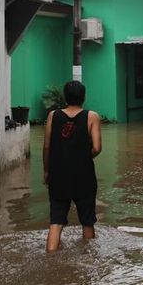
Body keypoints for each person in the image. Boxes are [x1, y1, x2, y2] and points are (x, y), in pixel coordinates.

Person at [43, 80, 102, 252]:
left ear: (65, 97)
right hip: (84, 175)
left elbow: (47, 146)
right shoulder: (92, 116)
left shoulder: (53, 115)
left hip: (58, 174)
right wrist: (83, 157)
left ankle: (51, 256)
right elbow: (97, 148)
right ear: (83, 97)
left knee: (56, 220)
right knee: (87, 220)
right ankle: (89, 257)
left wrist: (47, 171)